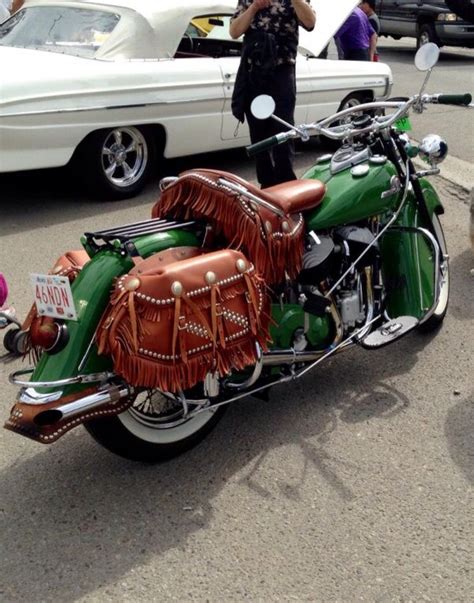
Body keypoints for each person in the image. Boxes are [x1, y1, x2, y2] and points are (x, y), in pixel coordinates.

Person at [230, 0, 316, 189]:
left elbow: (310, 22)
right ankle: (266, 186)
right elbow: (234, 31)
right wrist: (253, 8)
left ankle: (286, 186)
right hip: (254, 72)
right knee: (258, 133)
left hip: (281, 73)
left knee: (283, 131)